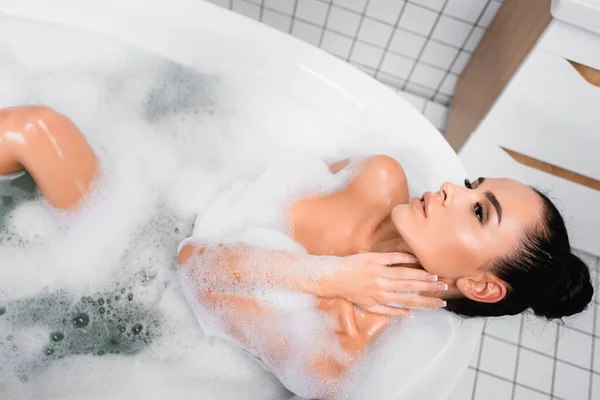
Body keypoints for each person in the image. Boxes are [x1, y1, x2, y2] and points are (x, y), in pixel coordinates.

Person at [1, 105, 594, 397]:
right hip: (154, 205)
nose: (449, 189)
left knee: (27, 133)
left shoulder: (343, 348)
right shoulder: (380, 176)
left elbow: (192, 267)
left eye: (478, 211)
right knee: (30, 126)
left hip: (137, 299)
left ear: (484, 286)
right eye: (474, 186)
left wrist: (329, 278)